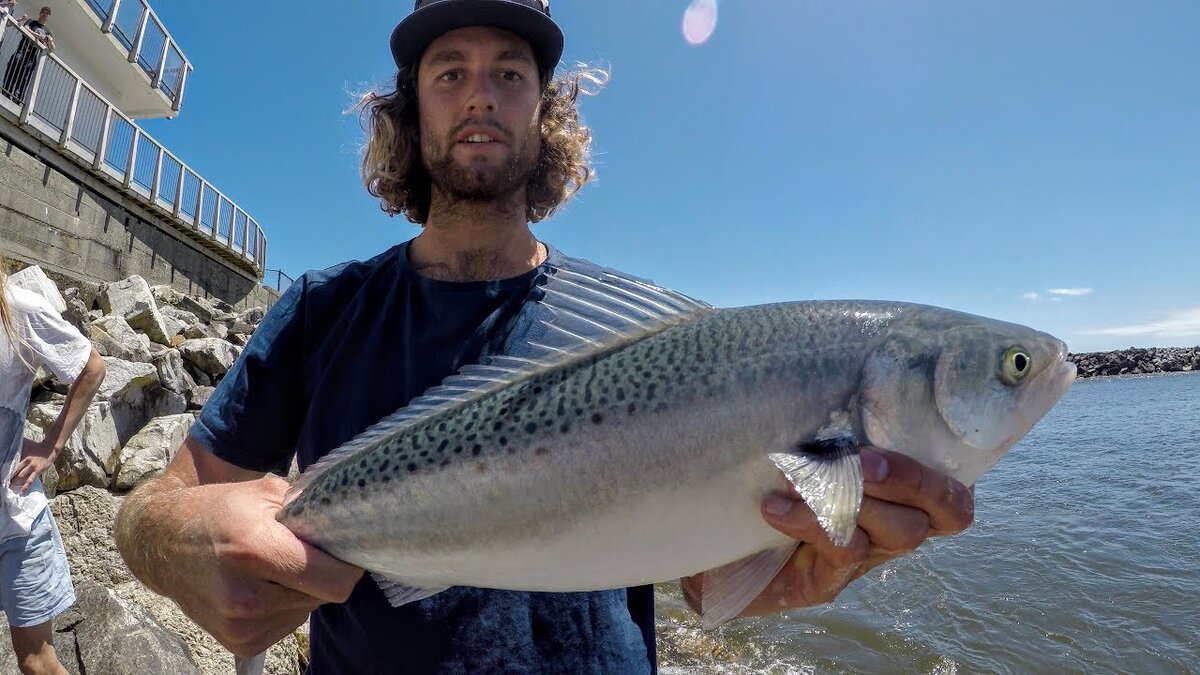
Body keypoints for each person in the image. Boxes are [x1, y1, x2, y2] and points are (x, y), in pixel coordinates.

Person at [113, 1, 975, 673]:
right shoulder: (322, 309)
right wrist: (179, 543)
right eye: (449, 72)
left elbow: (702, 575)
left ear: (545, 110)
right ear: (409, 111)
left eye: (510, 73)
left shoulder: (655, 330)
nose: (480, 93)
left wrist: (792, 569)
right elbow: (151, 505)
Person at [1, 266, 105, 675]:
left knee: (37, 661)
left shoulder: (19, 309)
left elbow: (90, 367)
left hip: (17, 521)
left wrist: (51, 445)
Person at [1, 5, 53, 104]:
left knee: (24, 78)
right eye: (43, 12)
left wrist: (49, 41)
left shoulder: (48, 32)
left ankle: (17, 100)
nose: (44, 14)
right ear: (40, 13)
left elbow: (51, 49)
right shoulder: (31, 22)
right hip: (21, 53)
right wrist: (38, 36)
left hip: (32, 58)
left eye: (47, 13)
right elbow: (25, 28)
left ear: (48, 16)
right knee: (13, 70)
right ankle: (5, 93)